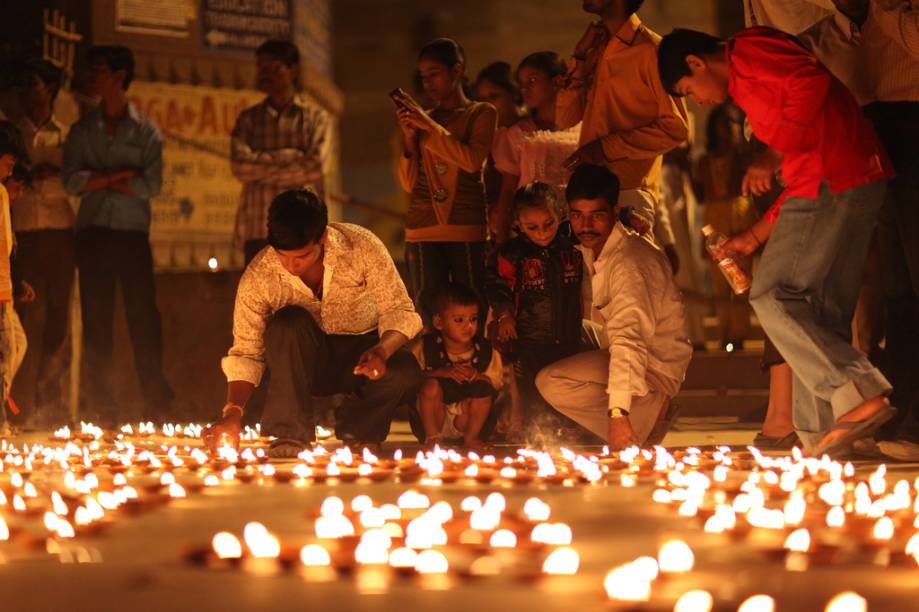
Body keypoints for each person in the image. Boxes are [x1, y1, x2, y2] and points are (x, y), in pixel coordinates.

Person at [658, 27, 895, 456]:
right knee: (820, 310)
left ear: (696, 63)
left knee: (771, 295)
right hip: (850, 178)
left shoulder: (747, 49)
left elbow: (812, 82)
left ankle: (858, 394)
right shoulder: (752, 89)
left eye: (689, 91)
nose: (699, 102)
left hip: (831, 179)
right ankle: (821, 432)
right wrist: (752, 236)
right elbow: (802, 160)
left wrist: (770, 152)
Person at [203, 189, 424, 457]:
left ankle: (359, 430)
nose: (292, 266)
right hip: (300, 361)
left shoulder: (361, 246)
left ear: (323, 237)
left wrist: (382, 350)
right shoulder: (260, 276)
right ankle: (290, 434)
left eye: (302, 256)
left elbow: (399, 309)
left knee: (405, 372)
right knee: (287, 323)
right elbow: (246, 352)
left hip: (364, 357)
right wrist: (233, 412)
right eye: (283, 256)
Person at [536, 165, 692, 449]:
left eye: (596, 215)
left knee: (551, 381)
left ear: (614, 211)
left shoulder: (630, 263)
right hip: (624, 347)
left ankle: (638, 420)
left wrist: (617, 413)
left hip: (653, 365)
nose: (585, 226)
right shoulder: (594, 243)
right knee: (557, 331)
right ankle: (625, 419)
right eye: (577, 215)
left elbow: (628, 340)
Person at [62, 45, 173, 425]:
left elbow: (151, 185)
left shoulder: (145, 131)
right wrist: (120, 175)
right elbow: (73, 181)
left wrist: (101, 180)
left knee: (143, 321)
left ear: (120, 76)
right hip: (92, 235)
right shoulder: (82, 129)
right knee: (97, 323)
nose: (93, 77)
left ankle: (155, 404)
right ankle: (102, 409)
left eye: (100, 70)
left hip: (131, 236)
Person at [556, 0, 688, 266]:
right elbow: (565, 119)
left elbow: (676, 129)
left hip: (628, 190)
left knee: (631, 291)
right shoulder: (596, 49)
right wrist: (580, 57)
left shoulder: (651, 50)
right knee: (595, 298)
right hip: (590, 191)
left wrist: (604, 148)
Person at [395, 38, 497, 324]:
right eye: (423, 76)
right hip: (421, 228)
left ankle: (476, 367)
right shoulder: (423, 120)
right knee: (428, 310)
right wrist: (409, 138)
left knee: (472, 306)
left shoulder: (481, 113)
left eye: (434, 73)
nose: (427, 83)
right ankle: (433, 368)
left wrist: (427, 126)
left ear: (456, 71)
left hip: (465, 225)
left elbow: (470, 160)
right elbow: (408, 183)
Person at [1, 59, 74, 428]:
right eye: (23, 85)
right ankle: (17, 403)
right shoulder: (13, 133)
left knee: (58, 319)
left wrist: (52, 179)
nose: (29, 92)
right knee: (19, 318)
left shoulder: (66, 133)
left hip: (60, 232)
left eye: (35, 84)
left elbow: (76, 182)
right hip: (23, 232)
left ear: (50, 88)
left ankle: (51, 404)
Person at [486, 182, 583, 440]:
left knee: (565, 382)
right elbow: (498, 287)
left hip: (568, 334)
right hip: (528, 338)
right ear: (518, 223)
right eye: (532, 227)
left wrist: (629, 215)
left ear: (560, 214)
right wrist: (505, 315)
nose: (542, 233)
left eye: (548, 224)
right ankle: (533, 432)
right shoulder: (511, 254)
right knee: (530, 386)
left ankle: (567, 428)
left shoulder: (571, 244)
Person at [231, 39, 329, 265]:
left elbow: (316, 165)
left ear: (293, 69)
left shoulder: (316, 119)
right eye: (261, 68)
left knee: (306, 299)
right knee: (260, 299)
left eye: (272, 68)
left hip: (304, 229)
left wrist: (260, 167)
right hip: (257, 227)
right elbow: (239, 166)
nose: (264, 75)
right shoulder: (248, 119)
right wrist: (292, 157)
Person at [491, 51, 580, 243]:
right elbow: (508, 190)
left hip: (574, 231)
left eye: (532, 80)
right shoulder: (520, 134)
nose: (525, 89)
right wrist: (502, 239)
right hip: (531, 235)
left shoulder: (580, 130)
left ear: (557, 81)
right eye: (521, 84)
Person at [409, 283, 503, 451]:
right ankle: (433, 438)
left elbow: (496, 384)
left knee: (483, 390)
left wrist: (477, 376)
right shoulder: (426, 347)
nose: (468, 326)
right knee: (431, 386)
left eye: (473, 319)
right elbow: (410, 380)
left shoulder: (486, 351)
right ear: (439, 322)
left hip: (466, 418)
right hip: (436, 416)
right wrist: (439, 373)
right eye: (459, 320)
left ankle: (471, 437)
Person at [696, 103, 758, 349]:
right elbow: (701, 195)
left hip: (739, 213)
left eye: (734, 123)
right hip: (715, 215)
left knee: (742, 278)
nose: (730, 128)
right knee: (720, 280)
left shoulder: (743, 157)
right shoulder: (704, 160)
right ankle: (724, 333)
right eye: (726, 123)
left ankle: (738, 334)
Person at [0, 124, 30, 431]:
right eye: (8, 164)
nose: (10, 173)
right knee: (5, 352)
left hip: (4, 290)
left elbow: (6, 247)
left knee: (11, 347)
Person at [474, 61, 523, 243]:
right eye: (481, 100)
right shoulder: (483, 139)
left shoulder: (529, 134)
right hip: (491, 230)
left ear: (514, 93)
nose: (487, 106)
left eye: (494, 96)